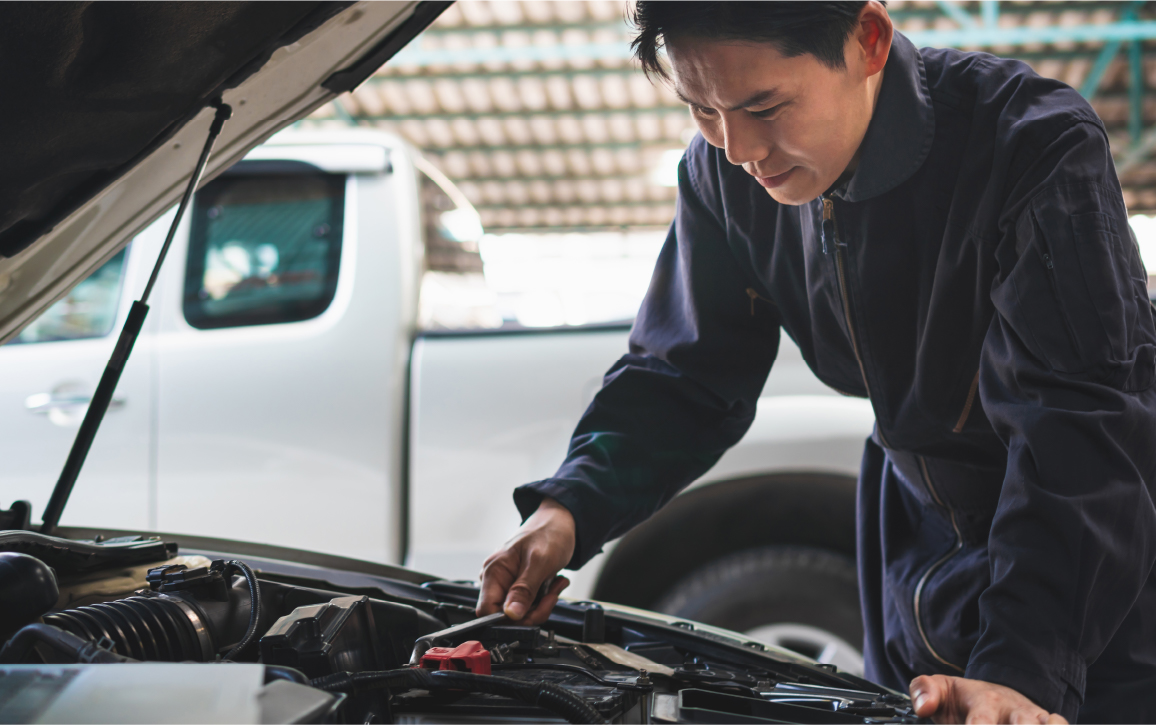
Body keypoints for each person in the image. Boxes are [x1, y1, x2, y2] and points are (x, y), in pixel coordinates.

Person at [476, 3, 1156, 723]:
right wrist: (568, 508)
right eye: (701, 108)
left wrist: (1023, 670)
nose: (737, 148)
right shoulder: (723, 175)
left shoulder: (1028, 144)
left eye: (764, 106)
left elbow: (1079, 423)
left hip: (1094, 578)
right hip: (915, 553)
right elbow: (686, 374)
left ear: (867, 41)